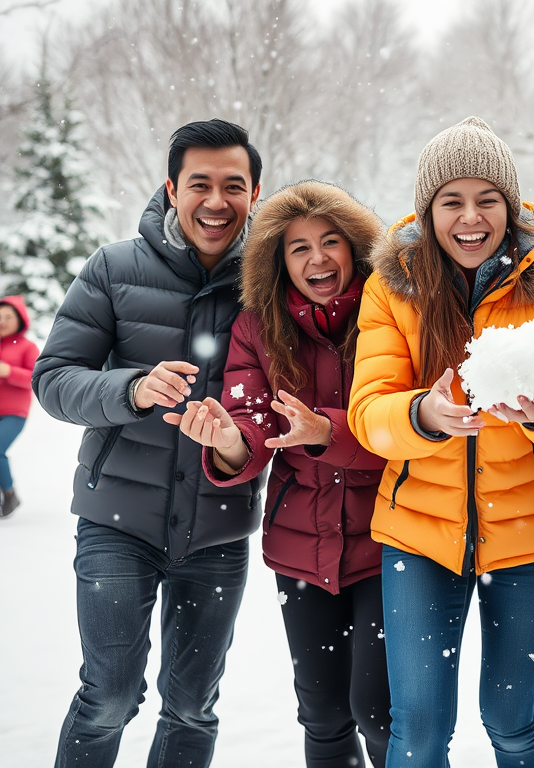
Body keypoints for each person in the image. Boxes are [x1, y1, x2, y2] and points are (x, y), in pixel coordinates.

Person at [347, 116, 534, 768]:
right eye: (452, 201)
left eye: (487, 199)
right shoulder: (393, 286)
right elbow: (368, 411)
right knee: (420, 728)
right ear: (428, 208)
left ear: (511, 204)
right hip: (418, 536)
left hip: (532, 534)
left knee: (512, 721)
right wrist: (423, 416)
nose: (471, 217)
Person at [32, 119, 263, 768]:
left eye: (233, 186)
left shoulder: (269, 283)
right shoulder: (113, 268)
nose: (216, 201)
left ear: (255, 193)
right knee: (108, 695)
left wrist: (238, 444)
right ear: (171, 187)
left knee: (192, 706)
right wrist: (131, 389)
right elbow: (54, 381)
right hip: (117, 523)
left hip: (218, 532)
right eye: (200, 184)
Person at [170, 180, 391, 767]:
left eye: (330, 242)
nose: (317, 259)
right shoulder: (258, 328)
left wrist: (329, 434)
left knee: (379, 708)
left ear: (356, 247)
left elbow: (404, 426)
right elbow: (251, 420)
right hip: (300, 547)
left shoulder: (390, 312)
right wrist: (230, 445)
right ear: (278, 261)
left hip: (390, 540)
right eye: (298, 248)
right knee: (321, 713)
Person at [0, 295, 38, 518]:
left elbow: (37, 377)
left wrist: (9, 372)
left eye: (8, 316)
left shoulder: (27, 347)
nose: (2, 321)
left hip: (14, 412)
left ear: (20, 320)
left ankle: (10, 493)